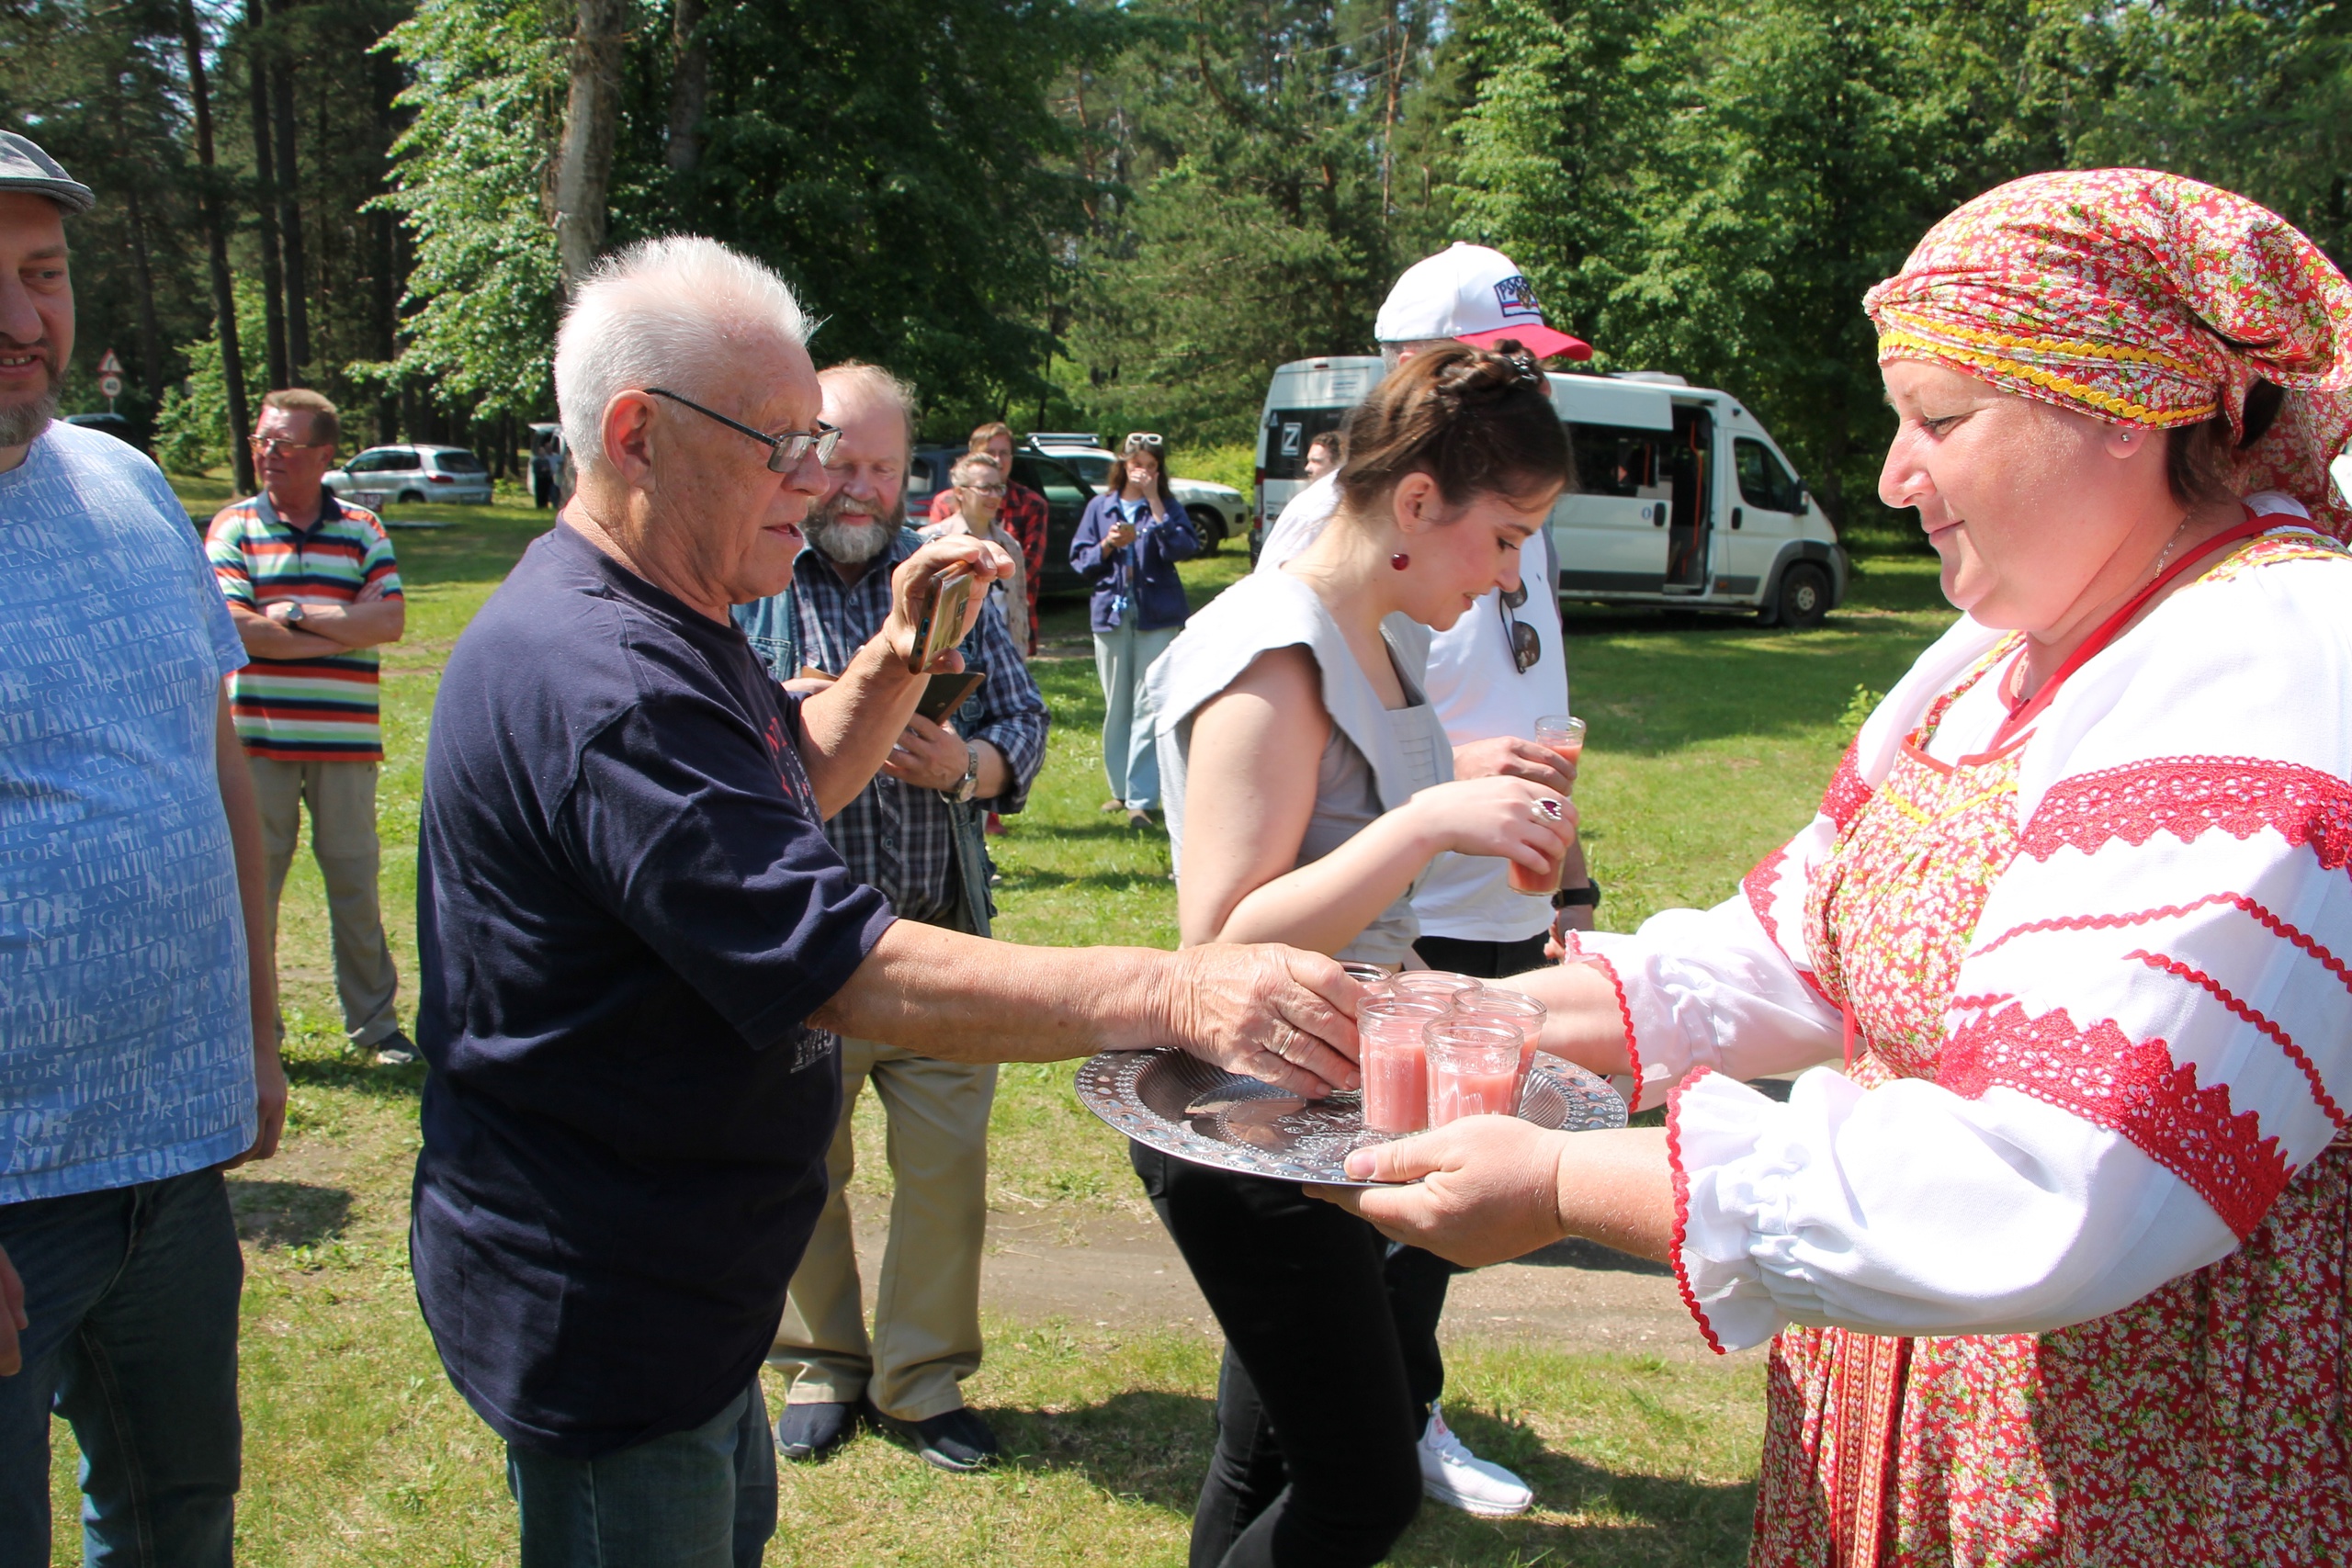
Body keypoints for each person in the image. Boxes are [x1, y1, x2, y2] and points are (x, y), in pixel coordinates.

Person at [1324, 170, 2352, 1564]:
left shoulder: (2278, 655)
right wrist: (1435, 1015)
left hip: (2137, 1464)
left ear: (2120, 407)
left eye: (1939, 420)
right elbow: (1797, 942)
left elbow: (2053, 1180)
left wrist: (1570, 1185)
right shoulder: (1996, 652)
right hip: (1921, 1408)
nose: (1891, 475)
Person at [411, 236, 1360, 1568]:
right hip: (609, 1303)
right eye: (780, 442)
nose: (819, 475)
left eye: (822, 437)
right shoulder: (602, 677)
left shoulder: (664, 612)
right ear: (637, 435)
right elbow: (841, 966)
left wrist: (902, 652)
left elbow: (787, 773)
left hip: (683, 1293)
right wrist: (1177, 985)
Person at [1136, 344, 1578, 1568]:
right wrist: (1428, 823)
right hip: (1239, 1120)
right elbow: (1221, 943)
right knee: (1363, 1486)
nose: (1505, 579)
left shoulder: (1373, 635)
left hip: (1314, 1104)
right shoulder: (1276, 647)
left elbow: (1353, 882)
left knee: (1272, 1449)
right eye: (1503, 538)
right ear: (1420, 502)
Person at [1254, 243, 1597, 1515]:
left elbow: (1532, 698)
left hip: (1493, 906)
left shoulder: (1506, 510)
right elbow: (1301, 740)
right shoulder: (1338, 532)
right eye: (1502, 363)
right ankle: (1373, 1426)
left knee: (1434, 1210)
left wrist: (1570, 884)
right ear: (1421, 370)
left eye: (1533, 365)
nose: (1526, 386)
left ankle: (1396, 1414)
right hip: (1404, 928)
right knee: (1377, 1209)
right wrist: (1451, 788)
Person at [0, 132, 285, 1565]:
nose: (23, 319)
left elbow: (213, 749)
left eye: (42, 274)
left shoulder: (125, 485)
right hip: (8, 1179)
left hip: (169, 1155)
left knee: (178, 1515)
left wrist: (254, 1033)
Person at [734, 364, 1048, 1473]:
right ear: (800, 456)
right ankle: (821, 1361)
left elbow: (1022, 714)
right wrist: (803, 712)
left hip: (938, 933)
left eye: (880, 466)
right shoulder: (747, 574)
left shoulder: (951, 578)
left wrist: (971, 765)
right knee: (799, 1172)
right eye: (838, 461)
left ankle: (922, 1383)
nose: (856, 489)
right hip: (800, 952)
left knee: (944, 1176)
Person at [207, 387, 413, 1064]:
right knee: (252, 890)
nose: (269, 454)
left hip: (344, 745)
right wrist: (335, 628)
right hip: (257, 743)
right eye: (263, 440)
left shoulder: (362, 527)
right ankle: (253, 1034)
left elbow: (390, 619)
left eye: (286, 445)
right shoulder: (234, 526)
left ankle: (375, 1027)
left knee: (354, 883)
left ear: (323, 455)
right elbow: (233, 628)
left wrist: (289, 615)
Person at [1071, 432, 1199, 829]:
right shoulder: (1101, 506)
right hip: (1110, 614)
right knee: (1118, 704)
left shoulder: (1165, 506)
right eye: (1135, 463)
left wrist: (1157, 503)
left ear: (1159, 470)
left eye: (1150, 465)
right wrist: (1107, 545)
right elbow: (1080, 562)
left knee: (1148, 704)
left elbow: (1183, 548)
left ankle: (1141, 799)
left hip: (1156, 614)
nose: (1141, 471)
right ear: (1123, 466)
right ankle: (1121, 790)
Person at [929, 421, 1048, 654]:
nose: (993, 496)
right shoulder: (938, 530)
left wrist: (1019, 649)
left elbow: (1021, 583)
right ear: (961, 492)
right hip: (951, 647)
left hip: (1004, 644)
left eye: (997, 489)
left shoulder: (1012, 538)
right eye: (985, 488)